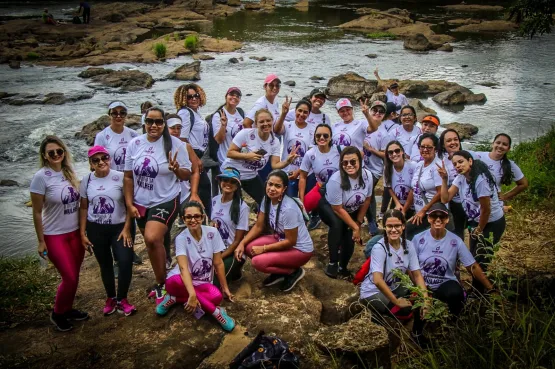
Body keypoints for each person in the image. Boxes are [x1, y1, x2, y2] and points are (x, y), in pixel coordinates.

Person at [124, 107, 192, 305]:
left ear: (164, 123)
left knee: (152, 238)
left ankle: (163, 283)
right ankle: (164, 275)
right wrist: (129, 204)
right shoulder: (135, 144)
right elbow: (128, 177)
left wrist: (177, 169)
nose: (154, 126)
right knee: (153, 244)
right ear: (144, 122)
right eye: (150, 121)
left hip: (166, 199)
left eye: (159, 122)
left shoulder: (176, 144)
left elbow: (187, 174)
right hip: (141, 202)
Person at [30, 136, 88, 331]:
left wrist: (83, 231)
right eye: (51, 153)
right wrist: (40, 241)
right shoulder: (40, 177)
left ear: (64, 153)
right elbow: (37, 212)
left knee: (75, 275)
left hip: (74, 233)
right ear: (45, 156)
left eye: (59, 151)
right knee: (69, 277)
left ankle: (67, 309)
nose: (56, 155)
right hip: (54, 235)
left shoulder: (69, 171)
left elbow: (81, 204)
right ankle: (57, 313)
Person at [156, 202, 236, 332]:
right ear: (183, 219)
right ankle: (216, 313)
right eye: (188, 217)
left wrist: (225, 287)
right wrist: (192, 294)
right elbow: (183, 268)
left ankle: (174, 299)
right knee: (174, 281)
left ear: (203, 217)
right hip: (181, 281)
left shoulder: (213, 233)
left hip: (202, 282)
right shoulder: (181, 238)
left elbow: (218, 263)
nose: (193, 220)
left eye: (197, 216)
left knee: (217, 297)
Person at [79, 146, 136, 317]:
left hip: (119, 227)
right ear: (91, 164)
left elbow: (129, 206)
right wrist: (82, 233)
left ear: (109, 158)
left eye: (104, 158)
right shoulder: (87, 180)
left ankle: (123, 299)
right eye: (96, 160)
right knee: (105, 265)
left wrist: (127, 228)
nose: (101, 162)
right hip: (96, 228)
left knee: (125, 261)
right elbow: (83, 207)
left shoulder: (121, 178)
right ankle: (111, 298)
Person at [234, 170, 313, 292]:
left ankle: (292, 271)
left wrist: (264, 248)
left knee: (257, 262)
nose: (272, 188)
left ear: (284, 189)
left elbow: (291, 241)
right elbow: (258, 226)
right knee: (249, 248)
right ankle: (279, 272)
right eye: (270, 184)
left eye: (277, 186)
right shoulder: (267, 199)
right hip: (280, 238)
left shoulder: (288, 209)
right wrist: (242, 243)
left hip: (299, 249)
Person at [438, 150, 505, 292]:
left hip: (492, 223)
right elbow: (445, 198)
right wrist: (444, 179)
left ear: (470, 161)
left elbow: (486, 209)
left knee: (481, 259)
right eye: (455, 164)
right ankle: (481, 290)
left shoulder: (480, 180)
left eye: (460, 162)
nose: (457, 166)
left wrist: (479, 229)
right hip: (475, 223)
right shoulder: (460, 178)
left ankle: (482, 293)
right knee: (473, 258)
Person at [413, 203, 495, 315]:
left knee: (456, 294)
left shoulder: (455, 241)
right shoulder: (418, 239)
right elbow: (411, 266)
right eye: (434, 216)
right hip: (423, 283)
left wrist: (490, 287)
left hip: (444, 283)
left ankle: (455, 321)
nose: (438, 219)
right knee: (418, 310)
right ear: (428, 219)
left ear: (447, 220)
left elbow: (472, 266)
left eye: (442, 216)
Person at [358, 209, 427, 339]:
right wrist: (396, 301)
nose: (393, 230)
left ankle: (417, 334)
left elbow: (417, 275)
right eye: (390, 226)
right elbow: (377, 280)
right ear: (384, 227)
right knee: (405, 311)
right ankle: (377, 317)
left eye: (397, 226)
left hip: (394, 286)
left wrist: (426, 299)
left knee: (420, 298)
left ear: (403, 226)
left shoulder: (408, 245)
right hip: (372, 291)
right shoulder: (380, 248)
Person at [94, 101, 142, 265]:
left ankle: (130, 250)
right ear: (110, 115)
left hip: (130, 179)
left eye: (122, 112)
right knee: (116, 215)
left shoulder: (133, 135)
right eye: (115, 113)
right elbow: (96, 159)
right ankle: (116, 255)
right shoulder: (102, 136)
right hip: (111, 180)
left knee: (130, 213)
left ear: (126, 115)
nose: (119, 116)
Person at [222, 108, 298, 207]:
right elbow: (230, 153)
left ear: (272, 121)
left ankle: (262, 219)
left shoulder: (274, 142)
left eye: (268, 121)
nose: (265, 124)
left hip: (251, 175)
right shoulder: (246, 134)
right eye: (261, 122)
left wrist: (287, 161)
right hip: (233, 172)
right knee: (234, 204)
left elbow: (275, 165)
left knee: (265, 201)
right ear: (256, 124)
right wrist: (247, 156)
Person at [319, 146, 373, 279]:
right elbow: (337, 208)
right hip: (330, 207)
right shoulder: (336, 180)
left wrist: (358, 222)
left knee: (350, 237)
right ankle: (333, 263)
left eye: (353, 161)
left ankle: (343, 266)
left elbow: (367, 200)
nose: (349, 165)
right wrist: (355, 227)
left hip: (352, 208)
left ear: (360, 162)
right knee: (338, 226)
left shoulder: (367, 176)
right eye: (345, 162)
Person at [174, 83, 212, 216]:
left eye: (196, 96)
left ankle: (195, 215)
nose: (193, 99)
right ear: (183, 99)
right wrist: (195, 159)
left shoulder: (196, 113)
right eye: (189, 97)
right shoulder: (185, 113)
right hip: (192, 154)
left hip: (199, 153)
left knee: (199, 187)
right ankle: (203, 216)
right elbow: (182, 139)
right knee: (204, 187)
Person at [211, 167, 249, 284]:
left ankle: (235, 270)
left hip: (231, 251)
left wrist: (218, 258)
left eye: (232, 181)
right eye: (225, 180)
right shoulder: (214, 200)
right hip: (214, 248)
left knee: (214, 280)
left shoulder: (243, 207)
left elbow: (237, 241)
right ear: (220, 182)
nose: (228, 183)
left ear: (237, 186)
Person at [404, 133, 443, 240]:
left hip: (431, 213)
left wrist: (424, 210)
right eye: (422, 147)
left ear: (435, 148)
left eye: (429, 147)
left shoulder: (438, 167)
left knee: (407, 233)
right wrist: (404, 210)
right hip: (419, 212)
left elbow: (441, 193)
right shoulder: (419, 165)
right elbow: (414, 189)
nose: (425, 150)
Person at [274, 98, 315, 197]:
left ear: (309, 114)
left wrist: (299, 171)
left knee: (303, 201)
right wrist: (283, 114)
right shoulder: (287, 125)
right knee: (288, 199)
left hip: (304, 173)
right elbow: (276, 130)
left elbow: (311, 155)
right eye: (299, 111)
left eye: (305, 112)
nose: (301, 114)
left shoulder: (312, 130)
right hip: (287, 171)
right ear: (295, 111)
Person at [438, 129, 473, 239]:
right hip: (455, 203)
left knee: (474, 230)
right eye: (448, 141)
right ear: (443, 145)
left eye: (455, 139)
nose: (453, 142)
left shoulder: (470, 157)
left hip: (473, 202)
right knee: (457, 232)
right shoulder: (442, 162)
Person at [474, 133, 528, 203]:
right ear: (492, 144)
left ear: (508, 148)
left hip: (493, 205)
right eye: (498, 142)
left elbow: (524, 184)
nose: (500, 146)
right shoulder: (477, 156)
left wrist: (506, 196)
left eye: (504, 144)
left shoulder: (510, 165)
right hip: (473, 204)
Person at [299, 124, 340, 214]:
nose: (321, 138)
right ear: (314, 137)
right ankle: (315, 216)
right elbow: (302, 177)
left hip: (339, 188)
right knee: (302, 210)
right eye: (318, 135)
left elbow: (356, 156)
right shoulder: (310, 154)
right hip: (321, 187)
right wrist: (301, 199)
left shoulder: (339, 150)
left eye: (325, 135)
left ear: (330, 137)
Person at [363, 102, 391, 236]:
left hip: (374, 169)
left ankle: (372, 222)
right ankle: (368, 220)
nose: (377, 113)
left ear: (384, 115)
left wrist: (371, 149)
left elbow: (386, 154)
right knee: (368, 194)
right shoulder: (362, 126)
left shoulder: (384, 134)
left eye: (381, 111)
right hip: (359, 166)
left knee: (368, 193)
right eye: (375, 110)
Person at [211, 87, 245, 195]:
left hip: (238, 159)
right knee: (226, 192)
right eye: (231, 94)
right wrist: (223, 125)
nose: (234, 97)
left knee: (236, 192)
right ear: (226, 97)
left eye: (237, 96)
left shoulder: (240, 112)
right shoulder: (219, 115)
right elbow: (219, 140)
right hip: (225, 160)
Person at [383, 140, 416, 220]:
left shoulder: (413, 166)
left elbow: (413, 189)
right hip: (399, 202)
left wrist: (404, 210)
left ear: (402, 151)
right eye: (390, 152)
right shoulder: (387, 169)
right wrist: (397, 203)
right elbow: (389, 187)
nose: (394, 154)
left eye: (397, 151)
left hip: (413, 205)